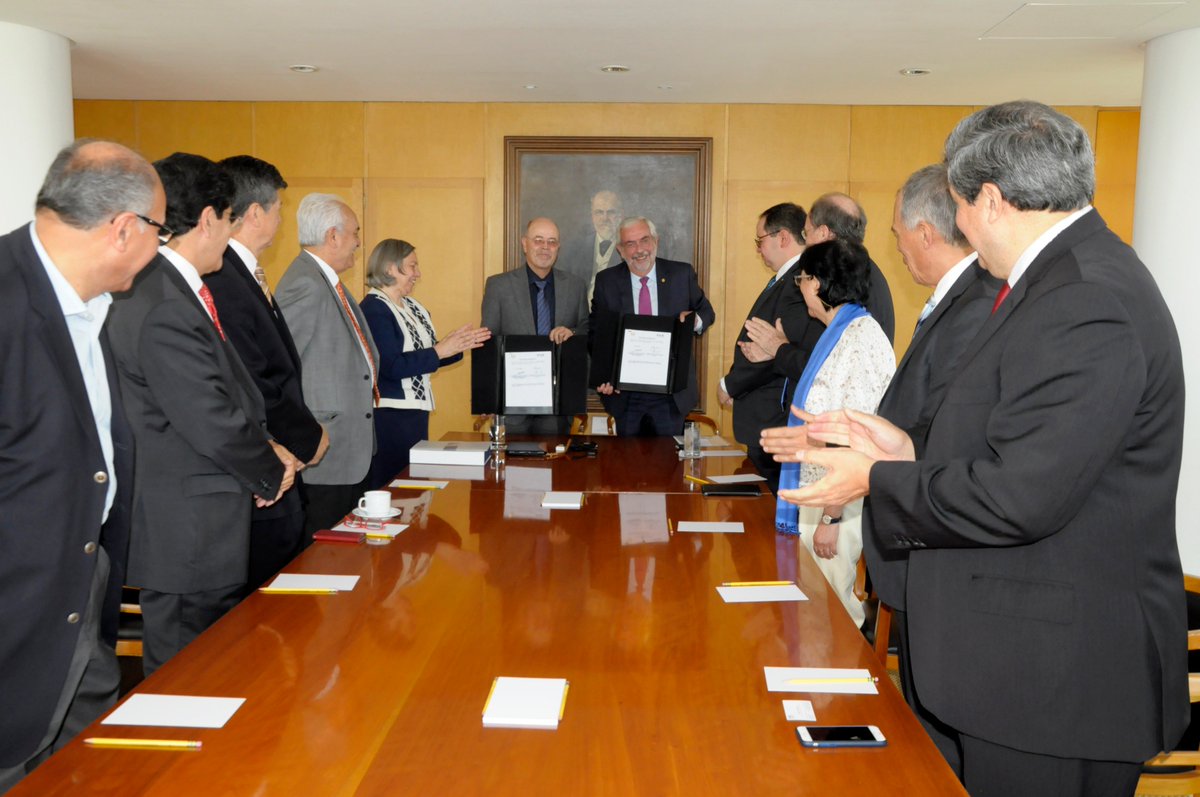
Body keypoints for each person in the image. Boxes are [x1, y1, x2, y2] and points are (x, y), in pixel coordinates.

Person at [765, 100, 1187, 797]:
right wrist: (904, 447)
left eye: (959, 206)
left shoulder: (1084, 297)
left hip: (1056, 683)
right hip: (1024, 668)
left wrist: (878, 478)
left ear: (990, 201)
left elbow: (1021, 495)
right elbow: (1014, 443)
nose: (958, 227)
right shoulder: (1056, 281)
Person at [0, 140, 160, 792]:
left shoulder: (91, 308)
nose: (159, 245)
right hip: (15, 614)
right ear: (124, 228)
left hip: (84, 588)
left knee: (84, 769)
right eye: (159, 229)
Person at [107, 152, 295, 676]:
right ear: (209, 218)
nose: (232, 236)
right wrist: (269, 467)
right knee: (187, 679)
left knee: (211, 672)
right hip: (187, 534)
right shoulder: (161, 299)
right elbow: (207, 415)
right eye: (231, 219)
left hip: (199, 524)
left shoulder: (171, 289)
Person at [869, 162, 1000, 772]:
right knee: (922, 717)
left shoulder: (976, 304)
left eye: (897, 232)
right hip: (918, 543)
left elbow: (946, 430)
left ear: (924, 231)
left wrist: (878, 457)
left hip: (935, 545)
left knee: (937, 736)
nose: (896, 245)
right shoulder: (953, 298)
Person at [202, 156, 329, 591]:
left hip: (279, 465)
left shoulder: (244, 272)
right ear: (255, 212)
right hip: (260, 467)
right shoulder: (222, 277)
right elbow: (250, 377)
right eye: (278, 208)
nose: (280, 218)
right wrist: (304, 437)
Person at [763, 238, 893, 627]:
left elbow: (854, 433)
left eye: (802, 278)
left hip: (837, 499)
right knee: (810, 612)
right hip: (821, 492)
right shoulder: (840, 332)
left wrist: (831, 519)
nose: (800, 287)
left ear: (818, 283)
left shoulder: (859, 339)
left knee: (830, 614)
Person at [276, 194, 378, 534]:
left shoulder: (326, 280)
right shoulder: (306, 283)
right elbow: (280, 366)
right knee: (324, 552)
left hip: (346, 451)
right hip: (323, 452)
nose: (359, 241)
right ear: (333, 236)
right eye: (355, 232)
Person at [361, 238, 490, 487]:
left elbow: (428, 355)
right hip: (389, 416)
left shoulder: (413, 307)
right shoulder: (374, 309)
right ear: (390, 268)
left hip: (416, 413)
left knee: (414, 486)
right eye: (412, 266)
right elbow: (391, 366)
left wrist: (457, 345)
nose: (418, 274)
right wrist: (440, 350)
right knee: (396, 487)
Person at [717, 202, 824, 491]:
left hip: (775, 417)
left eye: (760, 240)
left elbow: (780, 352)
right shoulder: (786, 279)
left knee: (770, 506)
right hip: (765, 417)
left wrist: (731, 385)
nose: (758, 249)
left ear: (783, 237)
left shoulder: (799, 282)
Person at [590, 216, 715, 437]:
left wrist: (693, 321)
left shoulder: (681, 274)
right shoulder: (606, 281)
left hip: (671, 395)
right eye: (630, 244)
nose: (639, 250)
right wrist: (605, 376)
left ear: (655, 241)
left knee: (669, 459)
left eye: (644, 240)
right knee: (627, 459)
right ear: (620, 250)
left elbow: (706, 312)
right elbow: (597, 334)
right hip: (625, 396)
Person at [480, 217, 589, 435]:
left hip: (557, 403)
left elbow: (587, 328)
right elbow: (487, 342)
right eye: (538, 240)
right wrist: (487, 396)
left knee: (554, 457)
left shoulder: (575, 286)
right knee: (512, 457)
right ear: (525, 244)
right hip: (512, 403)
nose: (545, 247)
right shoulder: (498, 285)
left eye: (552, 241)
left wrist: (572, 332)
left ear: (558, 247)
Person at [802, 192, 896, 343]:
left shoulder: (842, 280)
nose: (805, 242)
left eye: (806, 233)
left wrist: (780, 348)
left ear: (823, 233)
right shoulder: (863, 272)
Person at [559, 189, 623, 298]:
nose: (604, 218)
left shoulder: (629, 248)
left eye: (611, 212)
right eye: (599, 212)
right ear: (592, 216)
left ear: (620, 215)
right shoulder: (575, 249)